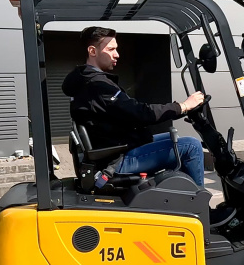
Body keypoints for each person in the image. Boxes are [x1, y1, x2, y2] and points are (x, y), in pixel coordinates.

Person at [61, 26, 207, 187]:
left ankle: (180, 194)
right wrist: (183, 106)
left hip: (118, 148)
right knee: (191, 146)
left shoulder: (87, 81)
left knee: (173, 138)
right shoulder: (97, 85)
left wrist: (182, 109)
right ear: (92, 51)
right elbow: (140, 113)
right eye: (111, 49)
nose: (117, 54)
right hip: (117, 160)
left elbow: (129, 114)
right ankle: (199, 201)